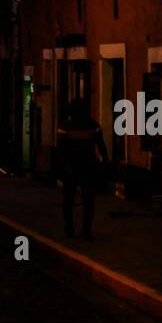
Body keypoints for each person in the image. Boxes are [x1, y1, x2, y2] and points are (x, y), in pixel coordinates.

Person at [56, 96, 108, 240]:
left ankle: (69, 229)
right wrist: (105, 163)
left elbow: (61, 150)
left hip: (71, 167)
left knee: (68, 200)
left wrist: (64, 166)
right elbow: (102, 147)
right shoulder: (93, 126)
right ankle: (86, 230)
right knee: (88, 200)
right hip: (88, 166)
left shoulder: (65, 127)